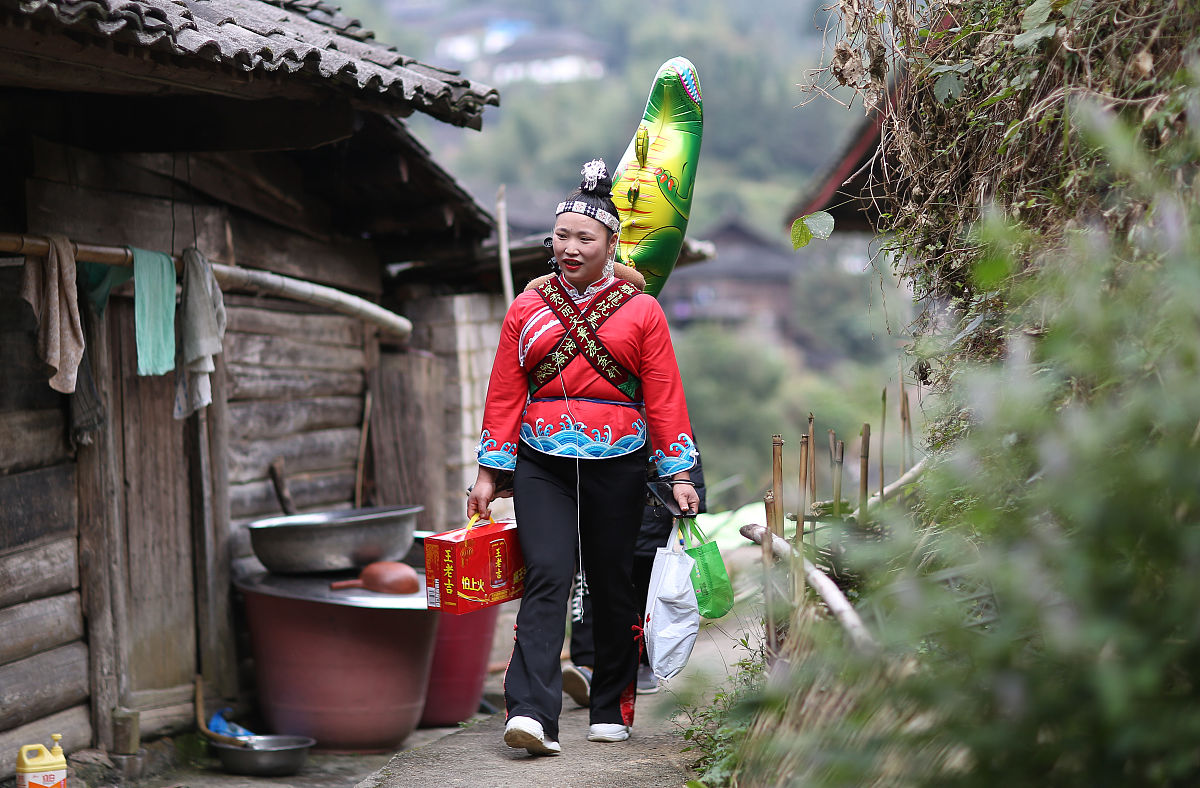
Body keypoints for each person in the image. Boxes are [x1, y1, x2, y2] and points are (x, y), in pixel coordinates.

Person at [466, 158, 699, 757]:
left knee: (611, 582)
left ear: (611, 243)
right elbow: (505, 391)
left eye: (583, 238)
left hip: (619, 460)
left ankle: (611, 705)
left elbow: (664, 393)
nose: (569, 248)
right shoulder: (527, 306)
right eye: (561, 237)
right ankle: (531, 715)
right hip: (540, 460)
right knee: (545, 572)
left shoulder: (642, 310)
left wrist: (677, 472)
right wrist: (490, 471)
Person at [563, 452, 706, 704]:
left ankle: (644, 663)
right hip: (597, 518)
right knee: (589, 587)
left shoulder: (661, 416)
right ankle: (587, 665)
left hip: (651, 520)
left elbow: (684, 453)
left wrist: (690, 505)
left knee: (643, 595)